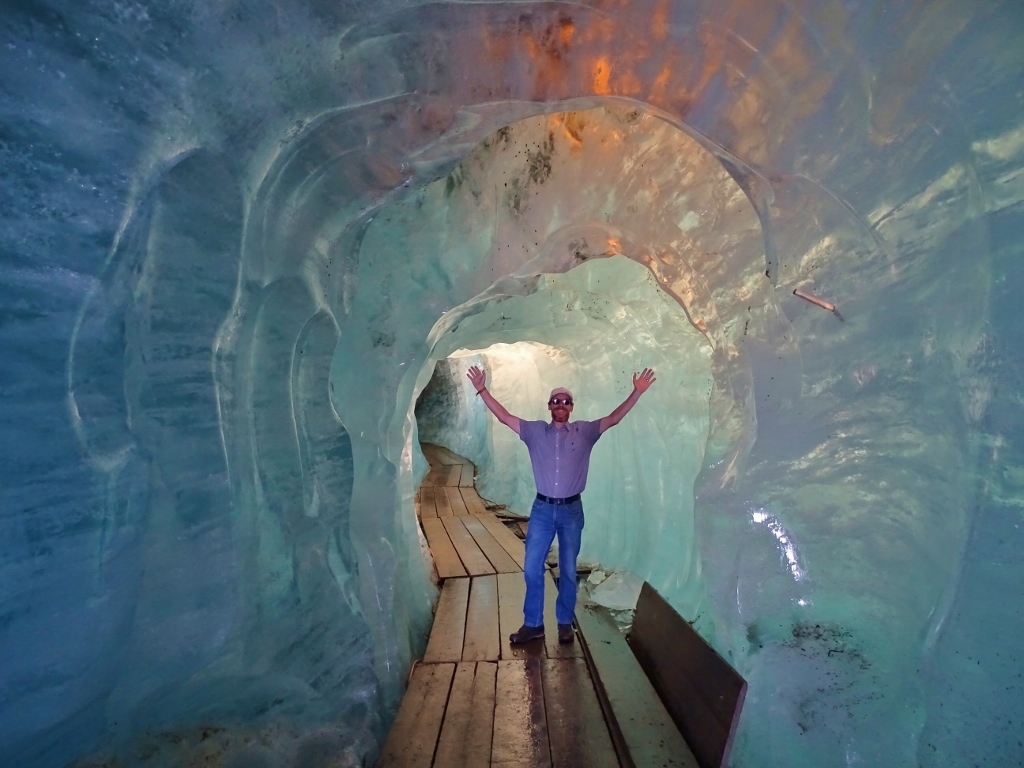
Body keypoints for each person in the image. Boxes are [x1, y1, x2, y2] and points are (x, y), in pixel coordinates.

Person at [466, 364, 656, 644]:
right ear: (549, 406)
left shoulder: (585, 432)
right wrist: (482, 389)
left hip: (571, 511)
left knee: (568, 568)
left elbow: (614, 418)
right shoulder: (534, 432)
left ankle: (565, 623)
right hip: (543, 510)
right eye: (556, 401)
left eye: (566, 401)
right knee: (532, 568)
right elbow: (504, 417)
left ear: (571, 407)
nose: (560, 405)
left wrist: (636, 392)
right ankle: (533, 624)